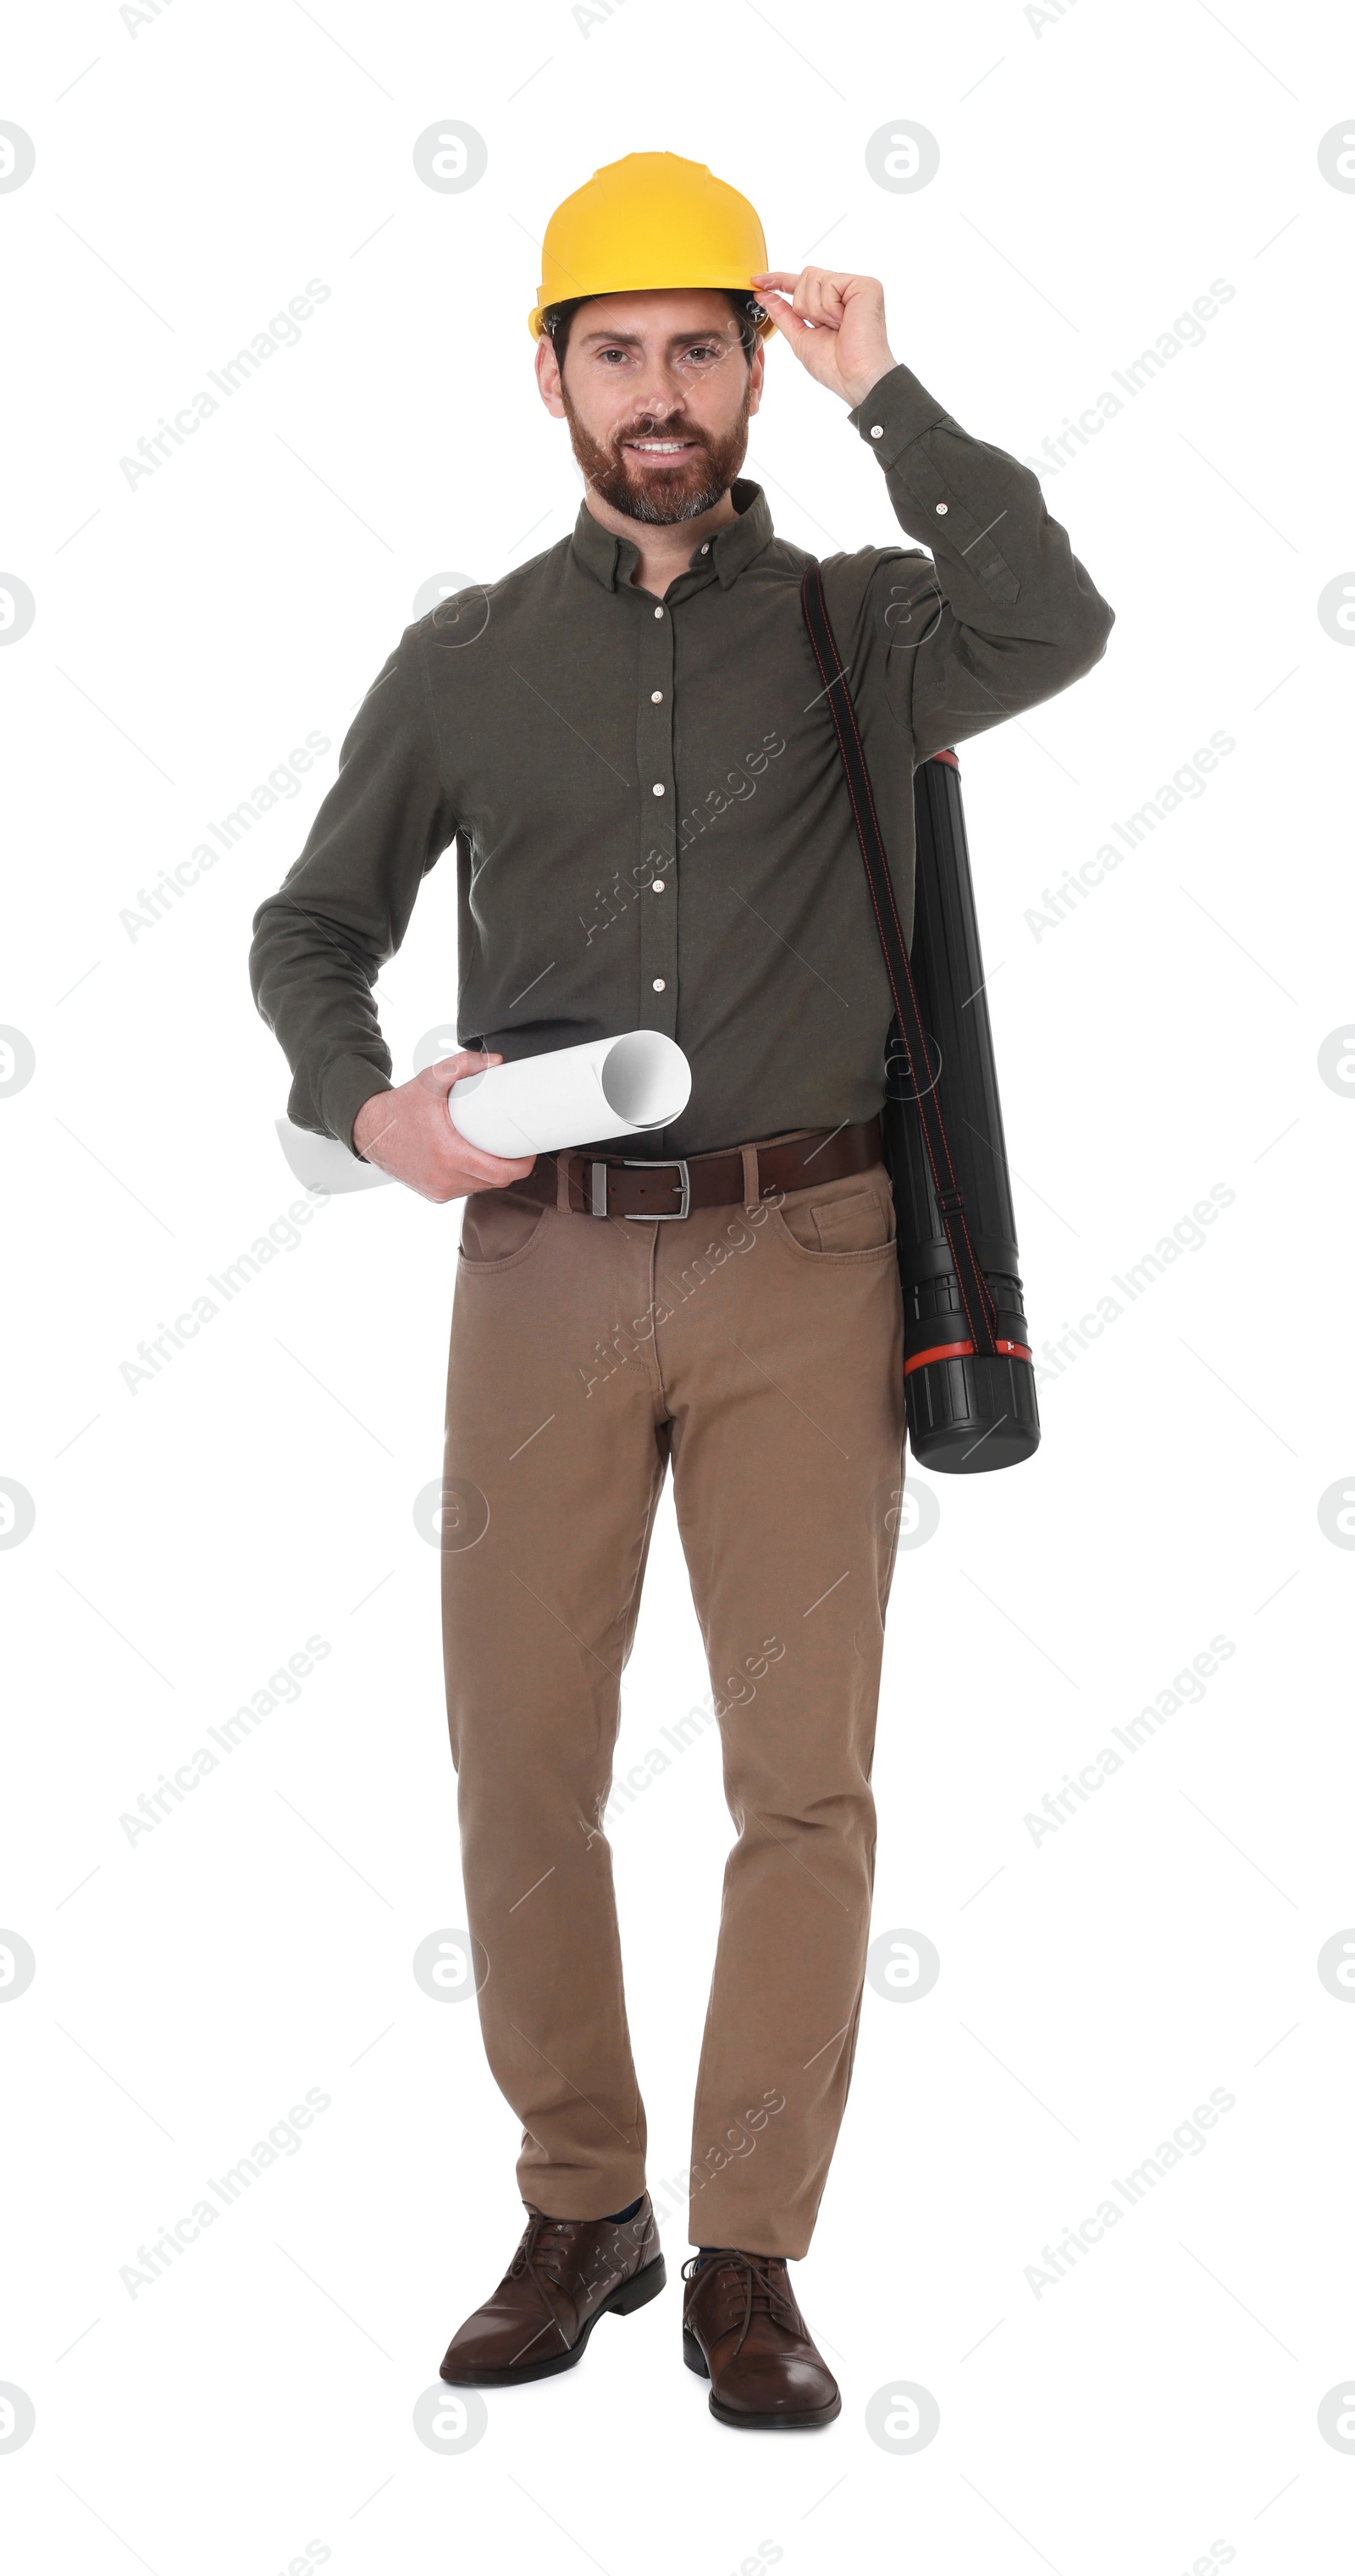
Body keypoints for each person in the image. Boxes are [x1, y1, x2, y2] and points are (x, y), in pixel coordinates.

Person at [249, 150, 1113, 2431]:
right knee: (519, 1766)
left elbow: (1066, 622)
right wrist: (369, 1108)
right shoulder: (465, 665)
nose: (660, 393)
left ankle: (748, 2254)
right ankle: (581, 2199)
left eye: (700, 349)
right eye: (615, 351)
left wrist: (890, 387)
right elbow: (306, 930)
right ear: (548, 378)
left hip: (812, 1258)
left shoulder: (866, 625)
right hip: (538, 1268)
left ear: (753, 369)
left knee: (799, 1783)